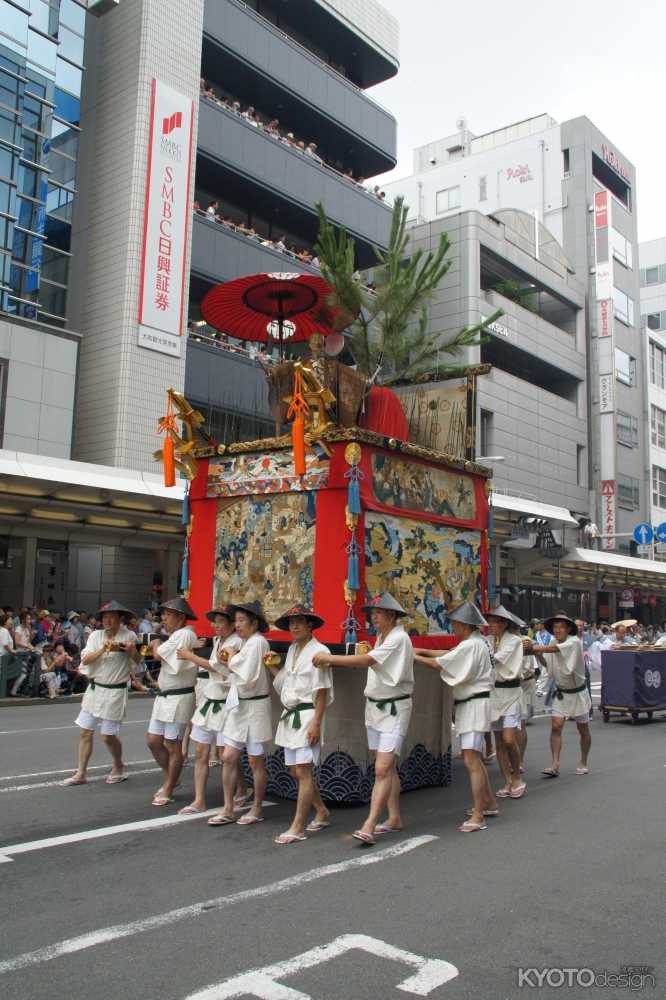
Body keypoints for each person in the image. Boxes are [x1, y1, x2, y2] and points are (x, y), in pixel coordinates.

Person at [313, 593, 414, 846]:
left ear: (391, 615)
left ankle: (369, 824)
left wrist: (330, 658)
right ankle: (394, 818)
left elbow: (369, 661)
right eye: (372, 614)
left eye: (378, 613)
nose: (373, 617)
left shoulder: (399, 637)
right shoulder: (382, 637)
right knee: (385, 766)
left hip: (394, 708)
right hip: (376, 708)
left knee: (382, 768)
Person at [415, 602, 496, 832]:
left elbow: (439, 663)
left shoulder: (471, 645)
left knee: (471, 760)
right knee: (475, 758)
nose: (453, 628)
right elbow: (449, 655)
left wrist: (414, 656)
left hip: (474, 704)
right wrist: (421, 651)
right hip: (477, 702)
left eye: (454, 624)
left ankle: (479, 815)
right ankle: (488, 803)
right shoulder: (480, 642)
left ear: (463, 624)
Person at [269, 606, 334, 845]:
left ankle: (297, 827)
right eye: (291, 623)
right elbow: (287, 682)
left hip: (307, 715)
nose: (294, 626)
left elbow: (322, 691)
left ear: (310, 625)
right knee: (295, 771)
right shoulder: (293, 649)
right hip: (291, 715)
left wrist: (316, 723)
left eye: (299, 622)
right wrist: (271, 666)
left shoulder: (320, 651)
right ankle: (322, 811)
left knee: (304, 770)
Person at [61, 601, 140, 786]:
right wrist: (103, 649)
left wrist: (132, 650)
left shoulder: (130, 635)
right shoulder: (96, 635)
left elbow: (139, 660)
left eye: (111, 617)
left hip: (115, 691)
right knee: (85, 732)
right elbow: (86, 659)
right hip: (95, 689)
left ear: (120, 619)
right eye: (105, 617)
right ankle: (81, 773)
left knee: (108, 735)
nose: (107, 620)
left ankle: (119, 766)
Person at [175, 606, 244, 814]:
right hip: (210, 699)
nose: (216, 625)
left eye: (221, 622)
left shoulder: (236, 643)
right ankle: (199, 800)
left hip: (225, 702)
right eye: (214, 621)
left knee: (226, 754)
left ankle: (238, 791)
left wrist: (190, 656)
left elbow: (218, 667)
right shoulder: (217, 641)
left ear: (232, 624)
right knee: (201, 751)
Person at [211, 600, 272, 827]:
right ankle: (228, 807)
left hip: (255, 706)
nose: (237, 625)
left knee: (255, 760)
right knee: (228, 756)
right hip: (239, 704)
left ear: (254, 623)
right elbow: (227, 665)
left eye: (241, 620)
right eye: (235, 620)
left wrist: (232, 656)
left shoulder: (257, 643)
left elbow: (245, 672)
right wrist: (230, 657)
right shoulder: (245, 644)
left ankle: (257, 807)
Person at [525, 612, 592, 777]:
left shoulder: (574, 642)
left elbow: (553, 649)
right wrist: (537, 654)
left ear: (568, 629)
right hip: (561, 692)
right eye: (555, 626)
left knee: (583, 729)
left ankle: (583, 761)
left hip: (577, 693)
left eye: (561, 626)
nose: (557, 629)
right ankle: (555, 764)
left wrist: (532, 647)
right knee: (556, 726)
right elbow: (547, 665)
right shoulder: (553, 642)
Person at [147, 597, 198, 806]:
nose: (164, 619)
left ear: (180, 617)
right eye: (164, 615)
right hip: (165, 696)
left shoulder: (185, 634)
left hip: (179, 696)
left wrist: (156, 644)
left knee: (173, 744)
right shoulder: (176, 635)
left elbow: (158, 656)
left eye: (167, 615)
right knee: (153, 741)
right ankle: (172, 777)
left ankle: (169, 786)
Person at [486, 606, 526, 799]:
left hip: (511, 693)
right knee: (499, 742)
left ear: (503, 624)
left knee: (509, 739)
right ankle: (507, 780)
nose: (490, 625)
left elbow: (494, 659)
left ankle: (517, 776)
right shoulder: (487, 641)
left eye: (494, 622)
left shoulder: (514, 641)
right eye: (490, 622)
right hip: (494, 693)